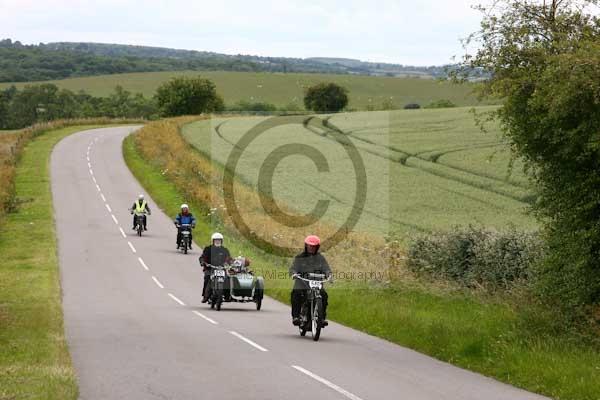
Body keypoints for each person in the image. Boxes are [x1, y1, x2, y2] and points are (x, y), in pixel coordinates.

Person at [290, 235, 331, 326]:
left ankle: (322, 318)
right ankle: (296, 316)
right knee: (296, 293)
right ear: (306, 246)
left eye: (314, 246)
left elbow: (326, 268)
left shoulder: (320, 258)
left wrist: (329, 275)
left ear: (317, 247)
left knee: (324, 295)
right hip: (302, 282)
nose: (311, 248)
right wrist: (294, 273)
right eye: (309, 246)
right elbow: (293, 268)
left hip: (317, 283)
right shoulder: (300, 257)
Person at [199, 232, 231, 303]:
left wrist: (229, 263)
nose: (217, 242)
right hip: (210, 268)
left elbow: (229, 258)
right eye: (216, 240)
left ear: (221, 241)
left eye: (219, 240)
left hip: (222, 268)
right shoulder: (208, 249)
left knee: (228, 278)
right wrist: (203, 263)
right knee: (207, 277)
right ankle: (205, 296)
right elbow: (202, 257)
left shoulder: (225, 250)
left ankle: (227, 295)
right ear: (213, 241)